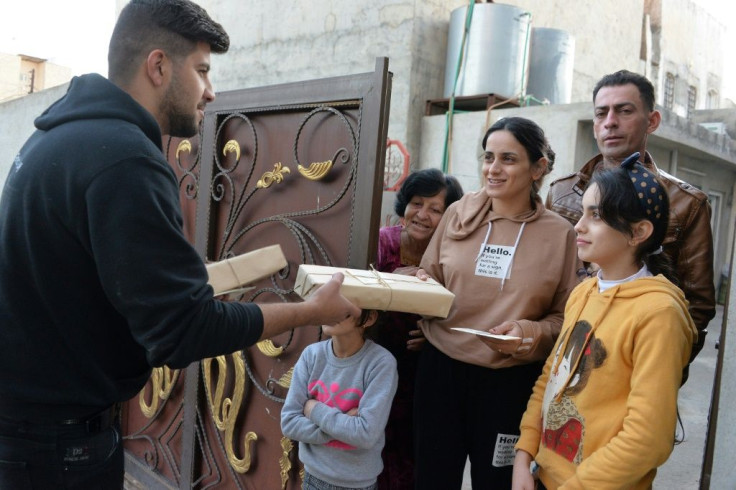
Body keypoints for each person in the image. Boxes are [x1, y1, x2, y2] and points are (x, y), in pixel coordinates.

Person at [0, 1, 360, 488]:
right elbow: (183, 331)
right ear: (158, 65)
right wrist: (310, 310)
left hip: (30, 432)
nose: (211, 92)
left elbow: (84, 279)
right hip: (57, 451)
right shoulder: (125, 159)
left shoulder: (57, 138)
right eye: (203, 71)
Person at [414, 117, 581, 489]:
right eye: (488, 157)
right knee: (432, 478)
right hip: (441, 370)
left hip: (509, 383)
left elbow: (566, 319)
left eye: (508, 159)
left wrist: (528, 332)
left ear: (538, 167)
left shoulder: (560, 235)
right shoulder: (458, 212)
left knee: (497, 482)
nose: (493, 168)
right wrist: (423, 286)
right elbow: (430, 275)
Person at [514, 154, 697, 489]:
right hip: (544, 474)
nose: (578, 226)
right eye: (582, 211)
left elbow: (648, 439)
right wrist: (524, 453)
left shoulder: (659, 313)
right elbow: (550, 379)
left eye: (596, 215)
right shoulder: (584, 292)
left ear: (638, 232)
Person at [545, 69, 714, 378]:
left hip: (630, 369)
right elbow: (542, 277)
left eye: (624, 111)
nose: (610, 121)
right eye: (601, 113)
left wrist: (654, 369)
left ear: (652, 121)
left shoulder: (686, 203)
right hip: (556, 357)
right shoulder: (561, 192)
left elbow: (697, 306)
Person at [374, 168, 463, 490]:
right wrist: (399, 279)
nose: (422, 215)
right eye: (416, 203)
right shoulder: (382, 243)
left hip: (424, 370)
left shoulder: (453, 257)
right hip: (375, 364)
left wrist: (433, 334)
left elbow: (463, 310)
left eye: (435, 209)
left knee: (415, 456)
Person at [281, 309, 398, 490]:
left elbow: (365, 434)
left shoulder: (380, 363)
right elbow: (289, 423)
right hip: (313, 478)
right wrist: (345, 427)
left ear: (370, 317)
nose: (331, 308)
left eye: (345, 304)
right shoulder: (311, 355)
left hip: (359, 484)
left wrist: (314, 410)